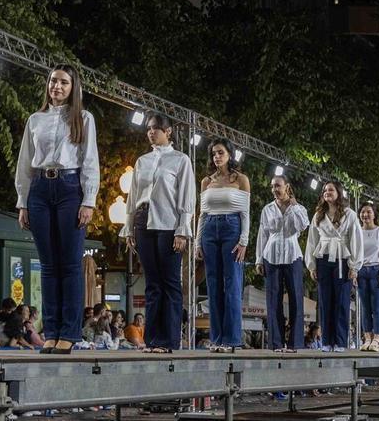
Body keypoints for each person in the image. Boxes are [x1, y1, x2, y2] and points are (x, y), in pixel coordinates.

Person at [16, 63, 99, 355]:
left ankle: (69, 332)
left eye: (64, 82)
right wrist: (23, 201)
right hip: (39, 188)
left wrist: (89, 200)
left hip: (69, 188)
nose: (57, 87)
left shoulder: (83, 119)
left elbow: (90, 161)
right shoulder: (35, 119)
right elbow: (25, 163)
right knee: (48, 267)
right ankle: (50, 332)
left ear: (73, 87)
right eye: (53, 81)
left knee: (70, 264)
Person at [123, 114, 195, 353]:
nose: (151, 132)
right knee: (152, 283)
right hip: (143, 220)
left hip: (168, 223)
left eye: (156, 128)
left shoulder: (180, 160)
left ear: (169, 131)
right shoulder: (142, 161)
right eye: (149, 129)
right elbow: (133, 195)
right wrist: (128, 226)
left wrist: (182, 230)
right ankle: (152, 340)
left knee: (170, 283)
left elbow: (186, 196)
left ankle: (170, 340)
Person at [196, 138, 251, 353]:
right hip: (210, 229)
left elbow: (245, 213)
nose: (217, 157)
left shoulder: (241, 179)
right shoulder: (206, 182)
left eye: (220, 152)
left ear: (230, 154)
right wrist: (198, 242)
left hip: (232, 228)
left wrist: (244, 241)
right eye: (214, 154)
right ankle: (216, 338)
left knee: (232, 284)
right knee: (213, 285)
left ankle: (231, 339)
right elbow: (202, 214)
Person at [305, 180, 363, 353]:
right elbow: (312, 239)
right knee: (325, 300)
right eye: (324, 190)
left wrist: (354, 266)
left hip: (342, 259)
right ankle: (326, 341)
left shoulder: (350, 214)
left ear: (339, 192)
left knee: (341, 301)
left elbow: (356, 240)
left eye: (330, 189)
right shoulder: (318, 215)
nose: (327, 192)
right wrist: (311, 265)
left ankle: (339, 342)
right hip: (323, 258)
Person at [255, 175, 310, 353]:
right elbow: (262, 234)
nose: (275, 190)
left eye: (278, 186)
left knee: (296, 299)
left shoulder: (299, 208)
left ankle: (295, 343)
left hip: (293, 255)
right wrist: (259, 259)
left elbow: (302, 226)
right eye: (272, 187)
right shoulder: (267, 209)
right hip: (271, 256)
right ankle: (276, 343)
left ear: (287, 186)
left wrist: (293, 207)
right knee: (273, 300)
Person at [356, 203, 379, 352]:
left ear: (374, 214)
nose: (365, 215)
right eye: (363, 212)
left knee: (377, 307)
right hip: (361, 271)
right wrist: (353, 271)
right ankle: (367, 338)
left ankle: (376, 339)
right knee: (365, 307)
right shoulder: (357, 232)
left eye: (368, 212)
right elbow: (354, 253)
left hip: (377, 270)